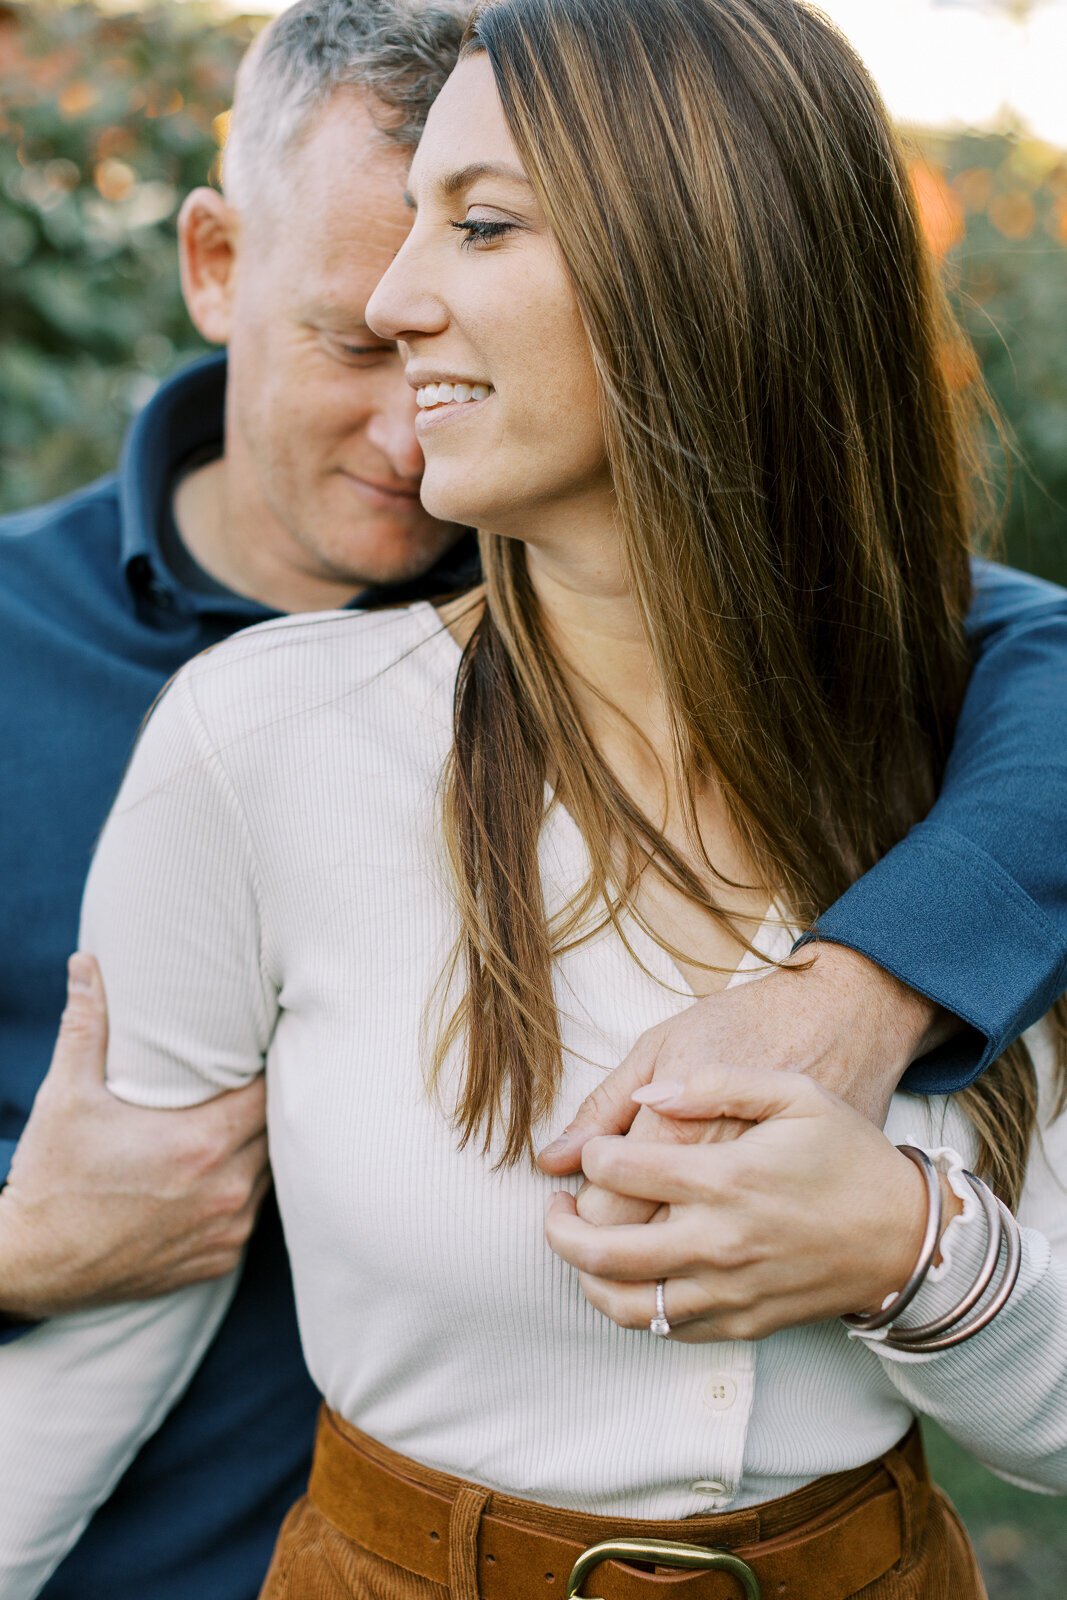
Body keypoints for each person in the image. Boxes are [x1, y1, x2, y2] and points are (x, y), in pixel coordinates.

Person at [2, 0, 1067, 1596]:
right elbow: (102, 1346)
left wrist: (915, 1245)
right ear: (216, 265)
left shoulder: (995, 770)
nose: (402, 300)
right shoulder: (261, 733)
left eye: (478, 223)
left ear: (707, 272)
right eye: (350, 319)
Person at [0, 5, 470, 1595]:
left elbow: (1030, 651)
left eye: (468, 354)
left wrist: (861, 989)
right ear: (214, 260)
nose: (417, 440)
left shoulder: (619, 629)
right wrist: (23, 1252)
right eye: (355, 344)